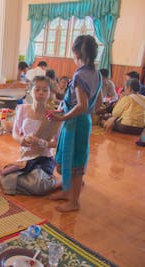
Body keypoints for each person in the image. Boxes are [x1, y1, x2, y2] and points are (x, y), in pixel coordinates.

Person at [47, 35, 102, 212]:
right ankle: (66, 191)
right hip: (82, 121)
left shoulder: (80, 75)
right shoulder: (97, 74)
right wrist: (65, 110)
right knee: (70, 156)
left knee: (75, 161)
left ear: (77, 52)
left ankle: (74, 202)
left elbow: (82, 105)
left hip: (75, 123)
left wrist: (63, 117)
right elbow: (97, 102)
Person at [0, 76, 61, 196]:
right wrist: (21, 140)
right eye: (37, 89)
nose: (41, 93)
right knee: (6, 179)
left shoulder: (54, 116)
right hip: (26, 157)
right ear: (30, 91)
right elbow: (15, 132)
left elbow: (58, 143)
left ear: (49, 93)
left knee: (36, 183)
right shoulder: (22, 109)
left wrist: (42, 143)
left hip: (44, 158)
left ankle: (58, 182)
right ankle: (43, 184)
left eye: (45, 90)